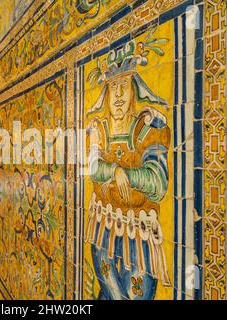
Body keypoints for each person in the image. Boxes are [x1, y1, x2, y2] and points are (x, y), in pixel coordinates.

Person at [85, 52, 171, 300]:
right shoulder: (98, 130)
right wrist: (115, 170)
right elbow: (91, 167)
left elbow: (158, 182)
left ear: (135, 90)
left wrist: (128, 176)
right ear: (107, 95)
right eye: (113, 87)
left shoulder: (150, 128)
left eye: (124, 85)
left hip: (139, 237)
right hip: (104, 231)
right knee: (110, 295)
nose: (119, 95)